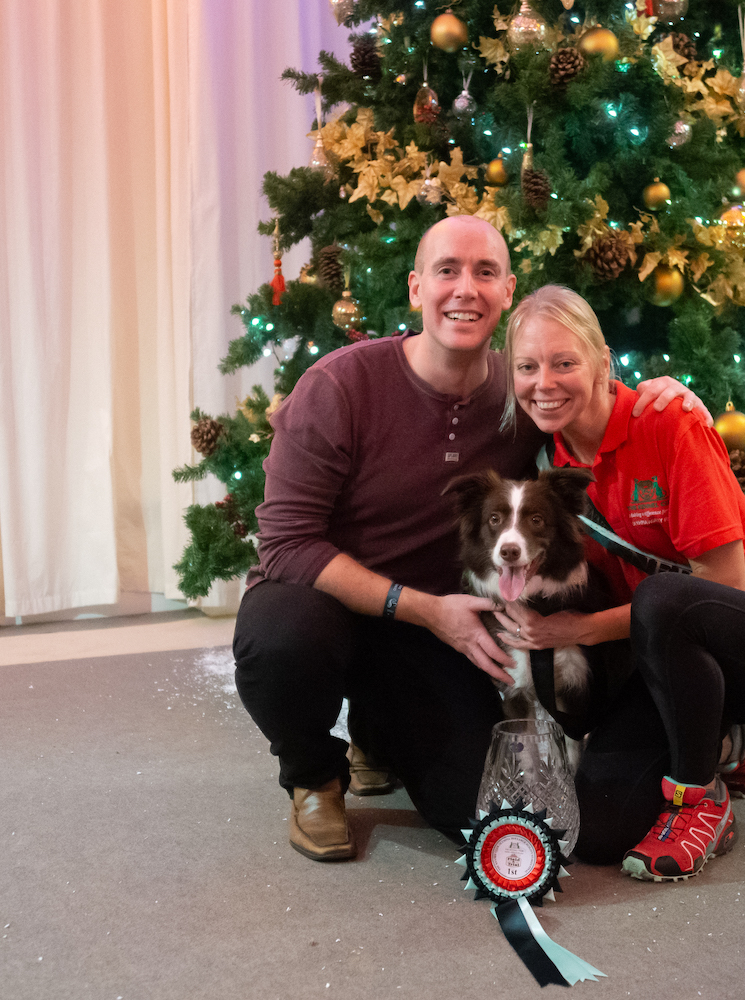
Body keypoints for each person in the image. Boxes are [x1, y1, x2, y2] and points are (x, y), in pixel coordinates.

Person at [232, 215, 709, 862]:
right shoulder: (341, 386)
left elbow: (590, 396)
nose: (466, 288)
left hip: (435, 633)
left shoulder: (522, 394)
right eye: (447, 271)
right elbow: (285, 544)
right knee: (281, 638)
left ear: (508, 291)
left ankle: (381, 730)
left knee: (479, 808)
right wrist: (421, 607)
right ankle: (314, 775)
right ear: (414, 288)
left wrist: (667, 394)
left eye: (485, 273)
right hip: (334, 605)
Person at [495, 284, 745, 881]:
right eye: (526, 367)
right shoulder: (549, 465)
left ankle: (700, 795)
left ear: (604, 363)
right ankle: (728, 741)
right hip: (670, 655)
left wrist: (577, 628)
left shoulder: (668, 420)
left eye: (564, 363)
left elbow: (725, 581)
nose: (543, 383)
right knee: (599, 829)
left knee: (661, 601)